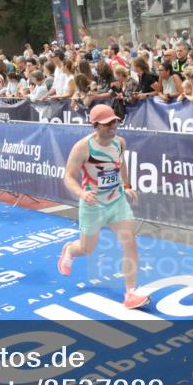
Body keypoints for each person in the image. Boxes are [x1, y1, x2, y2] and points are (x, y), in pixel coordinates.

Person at [57, 104, 148, 310]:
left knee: (130, 243)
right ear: (96, 125)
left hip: (117, 201)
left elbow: (120, 163)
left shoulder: (120, 143)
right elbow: (68, 177)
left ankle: (130, 292)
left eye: (114, 121)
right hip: (93, 205)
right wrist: (82, 193)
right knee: (87, 249)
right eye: (107, 123)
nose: (113, 126)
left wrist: (126, 185)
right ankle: (70, 250)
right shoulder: (83, 147)